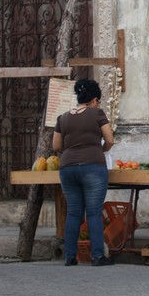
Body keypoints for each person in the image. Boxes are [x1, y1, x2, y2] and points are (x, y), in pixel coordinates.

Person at [53, 78, 115, 266]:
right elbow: (110, 139)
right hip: (92, 166)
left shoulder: (62, 117)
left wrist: (72, 152)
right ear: (94, 99)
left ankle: (70, 257)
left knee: (73, 212)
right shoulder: (97, 114)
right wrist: (100, 150)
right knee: (94, 212)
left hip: (67, 168)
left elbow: (56, 145)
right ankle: (97, 256)